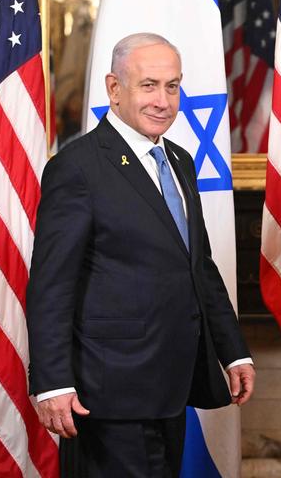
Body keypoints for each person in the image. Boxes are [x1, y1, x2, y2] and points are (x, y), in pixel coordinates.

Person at [26, 33, 255, 477]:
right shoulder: (77, 168)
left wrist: (234, 352)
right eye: (149, 85)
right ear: (114, 89)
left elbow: (199, 267)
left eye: (173, 86)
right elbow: (51, 286)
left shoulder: (181, 161)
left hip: (171, 383)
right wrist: (52, 382)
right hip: (108, 393)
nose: (164, 100)